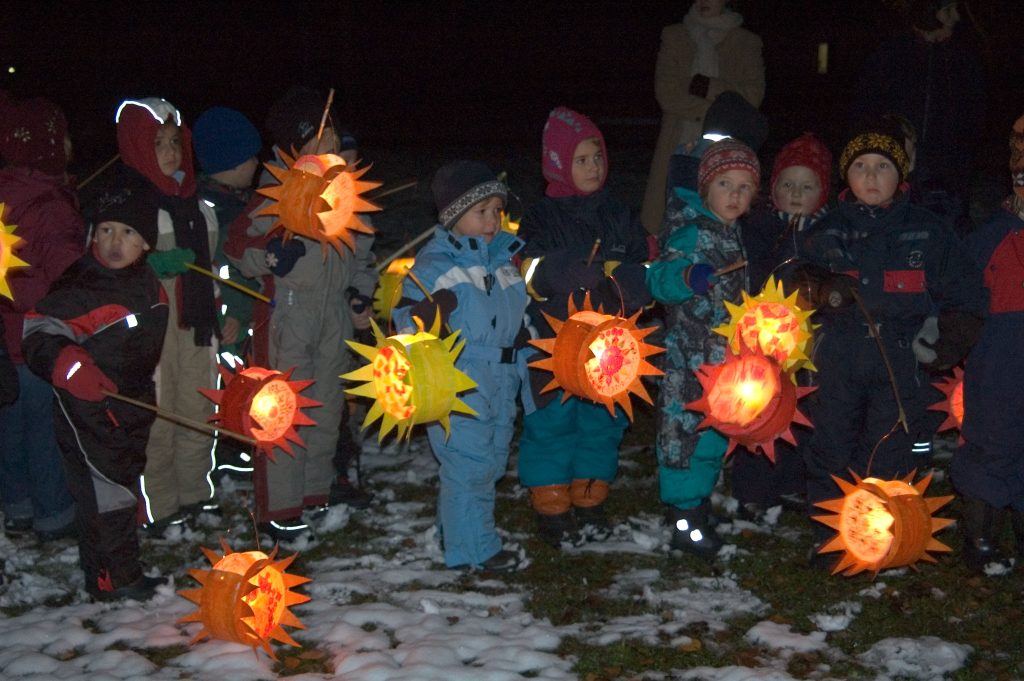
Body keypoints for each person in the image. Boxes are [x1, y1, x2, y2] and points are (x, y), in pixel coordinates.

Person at [795, 124, 985, 566]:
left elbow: (967, 295)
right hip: (838, 359)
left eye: (883, 167)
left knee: (889, 448)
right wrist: (818, 294)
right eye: (860, 167)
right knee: (831, 445)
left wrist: (944, 343)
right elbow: (791, 285)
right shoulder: (826, 231)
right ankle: (830, 535)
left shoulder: (927, 231)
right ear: (847, 176)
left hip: (900, 362)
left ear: (901, 175)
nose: (872, 177)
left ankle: (878, 537)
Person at [225, 86, 377, 542]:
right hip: (288, 314)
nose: (332, 148)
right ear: (296, 146)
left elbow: (363, 252)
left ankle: (315, 493)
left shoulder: (346, 193)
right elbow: (238, 246)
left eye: (333, 137)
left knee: (327, 408)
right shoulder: (275, 191)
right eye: (320, 139)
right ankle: (280, 508)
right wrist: (270, 256)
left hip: (331, 313)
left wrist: (359, 294)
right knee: (283, 411)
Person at [22, 184, 169, 601]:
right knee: (106, 492)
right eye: (105, 230)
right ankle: (113, 579)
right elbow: (39, 329)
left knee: (122, 480)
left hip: (130, 401)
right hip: (87, 405)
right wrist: (70, 366)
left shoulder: (142, 279)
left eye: (126, 232)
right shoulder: (84, 284)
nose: (114, 242)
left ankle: (117, 567)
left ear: (144, 242)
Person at [517, 107, 652, 547]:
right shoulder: (541, 216)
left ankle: (591, 492)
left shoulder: (619, 212)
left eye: (597, 157)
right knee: (552, 420)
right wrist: (555, 271)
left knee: (602, 420)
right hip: (552, 341)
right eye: (581, 159)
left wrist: (632, 280)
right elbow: (524, 268)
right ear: (558, 164)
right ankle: (551, 497)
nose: (593, 167)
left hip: (610, 343)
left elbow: (643, 260)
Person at [392, 160, 530, 572]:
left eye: (496, 211)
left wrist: (523, 334)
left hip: (502, 380)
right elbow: (404, 319)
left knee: (490, 461)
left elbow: (515, 311)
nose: (491, 221)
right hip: (458, 380)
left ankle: (455, 529)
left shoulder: (504, 261)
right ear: (454, 216)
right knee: (468, 464)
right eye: (480, 212)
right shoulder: (438, 265)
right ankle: (475, 551)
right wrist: (429, 313)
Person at [107, 98, 220, 537]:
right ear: (136, 146)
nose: (170, 152)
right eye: (158, 143)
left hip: (197, 328)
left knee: (197, 409)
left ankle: (194, 493)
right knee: (159, 415)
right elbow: (107, 268)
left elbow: (214, 269)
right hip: (152, 335)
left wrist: (219, 309)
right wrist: (151, 266)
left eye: (175, 142)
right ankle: (161, 504)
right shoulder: (128, 206)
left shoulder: (200, 209)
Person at [646, 138, 759, 559]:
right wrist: (686, 276)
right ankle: (683, 521)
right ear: (706, 187)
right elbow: (659, 278)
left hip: (724, 364)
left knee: (713, 438)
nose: (735, 194)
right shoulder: (691, 231)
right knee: (682, 440)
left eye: (745, 187)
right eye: (726, 184)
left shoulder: (734, 233)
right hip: (687, 363)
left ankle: (698, 506)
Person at [731, 133, 833, 518]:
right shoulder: (758, 230)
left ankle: (795, 482)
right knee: (758, 413)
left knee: (806, 413)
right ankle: (754, 489)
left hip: (812, 343)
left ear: (821, 192)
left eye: (806, 186)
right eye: (787, 184)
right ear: (773, 189)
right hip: (763, 341)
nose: (795, 193)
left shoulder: (827, 235)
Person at [0, 94, 81, 542]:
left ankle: (17, 505)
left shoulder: (5, 192)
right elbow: (65, 269)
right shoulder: (49, 203)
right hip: (38, 335)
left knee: (10, 427)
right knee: (46, 428)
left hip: (5, 338)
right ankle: (53, 511)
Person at [952, 113, 1024, 573]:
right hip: (1000, 364)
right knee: (990, 443)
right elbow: (961, 295)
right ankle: (981, 538)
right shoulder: (993, 238)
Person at [851, 0, 985, 237]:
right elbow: (866, 114)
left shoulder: (963, 60)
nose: (957, 17)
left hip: (948, 179)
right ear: (930, 12)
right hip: (898, 170)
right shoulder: (891, 55)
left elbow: (974, 120)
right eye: (948, 10)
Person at [641, 0, 765, 234]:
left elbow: (751, 98)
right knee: (666, 222)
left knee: (719, 219)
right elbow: (667, 93)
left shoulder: (747, 42)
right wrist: (721, 106)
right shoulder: (674, 35)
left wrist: (705, 86)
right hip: (678, 143)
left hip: (726, 150)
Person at [191, 105, 265, 483]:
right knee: (226, 380)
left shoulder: (243, 204)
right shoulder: (212, 214)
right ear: (229, 161)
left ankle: (239, 443)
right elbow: (220, 271)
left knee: (245, 377)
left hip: (247, 313)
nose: (256, 162)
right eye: (249, 156)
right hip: (227, 318)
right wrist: (230, 314)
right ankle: (225, 449)